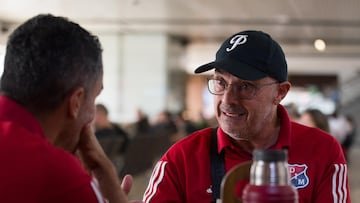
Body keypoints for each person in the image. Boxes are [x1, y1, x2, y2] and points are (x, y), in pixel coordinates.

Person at [143, 30, 350, 203]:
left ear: (280, 92)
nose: (227, 99)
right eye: (220, 82)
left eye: (245, 86)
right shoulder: (182, 159)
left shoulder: (322, 152)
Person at [0, 14, 141, 203]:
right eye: (95, 97)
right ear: (76, 102)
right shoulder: (54, 172)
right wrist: (104, 171)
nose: (92, 116)